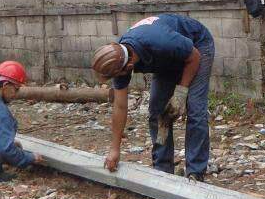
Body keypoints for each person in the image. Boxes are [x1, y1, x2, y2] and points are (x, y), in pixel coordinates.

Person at [91, 14, 215, 180]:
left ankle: (195, 172)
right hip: (168, 59)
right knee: (158, 113)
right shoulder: (119, 60)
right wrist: (114, 149)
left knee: (195, 109)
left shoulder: (160, 42)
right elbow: (120, 106)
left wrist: (180, 92)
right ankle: (163, 169)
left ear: (128, 66)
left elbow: (194, 57)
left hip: (197, 47)